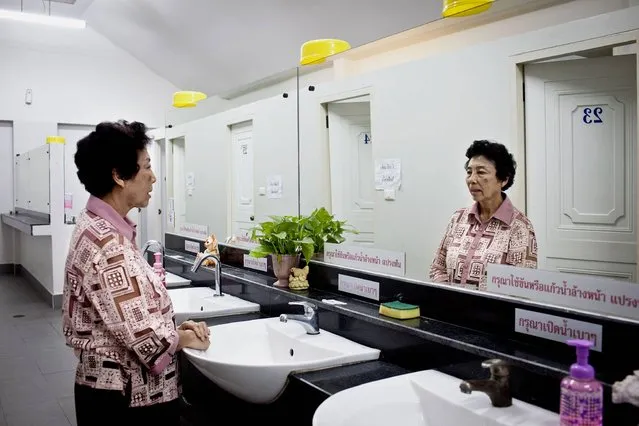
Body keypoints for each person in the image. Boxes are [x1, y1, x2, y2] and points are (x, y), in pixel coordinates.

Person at [61, 120, 210, 425]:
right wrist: (184, 339)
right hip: (126, 400)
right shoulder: (107, 244)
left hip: (111, 393)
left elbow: (129, 314)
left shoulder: (96, 226)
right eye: (145, 167)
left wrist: (175, 327)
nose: (153, 177)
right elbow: (147, 340)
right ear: (118, 176)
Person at [429, 140, 537, 290]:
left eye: (480, 172)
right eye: (469, 172)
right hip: (449, 309)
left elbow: (520, 287)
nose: (472, 179)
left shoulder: (519, 226)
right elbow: (437, 268)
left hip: (492, 312)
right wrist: (451, 300)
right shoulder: (458, 218)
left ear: (504, 179)